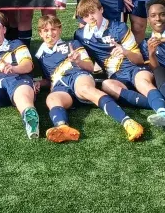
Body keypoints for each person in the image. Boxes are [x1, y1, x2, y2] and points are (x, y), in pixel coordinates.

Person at [73, 0, 165, 129]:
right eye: (85, 15)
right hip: (115, 75)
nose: (90, 17)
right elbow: (88, 64)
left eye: (93, 12)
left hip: (133, 68)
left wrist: (125, 51)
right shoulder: (80, 35)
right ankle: (161, 102)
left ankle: (162, 112)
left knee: (142, 80)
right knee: (107, 85)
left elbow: (139, 59)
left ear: (101, 10)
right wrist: (78, 61)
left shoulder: (119, 28)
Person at [35, 14, 144, 143]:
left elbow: (90, 67)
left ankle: (127, 122)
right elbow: (48, 80)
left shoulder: (72, 44)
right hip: (61, 86)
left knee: (85, 88)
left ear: (60, 30)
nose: (50, 33)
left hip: (77, 76)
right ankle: (62, 128)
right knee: (51, 98)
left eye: (53, 29)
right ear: (40, 33)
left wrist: (78, 61)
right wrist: (38, 83)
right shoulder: (40, 55)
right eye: (46, 30)